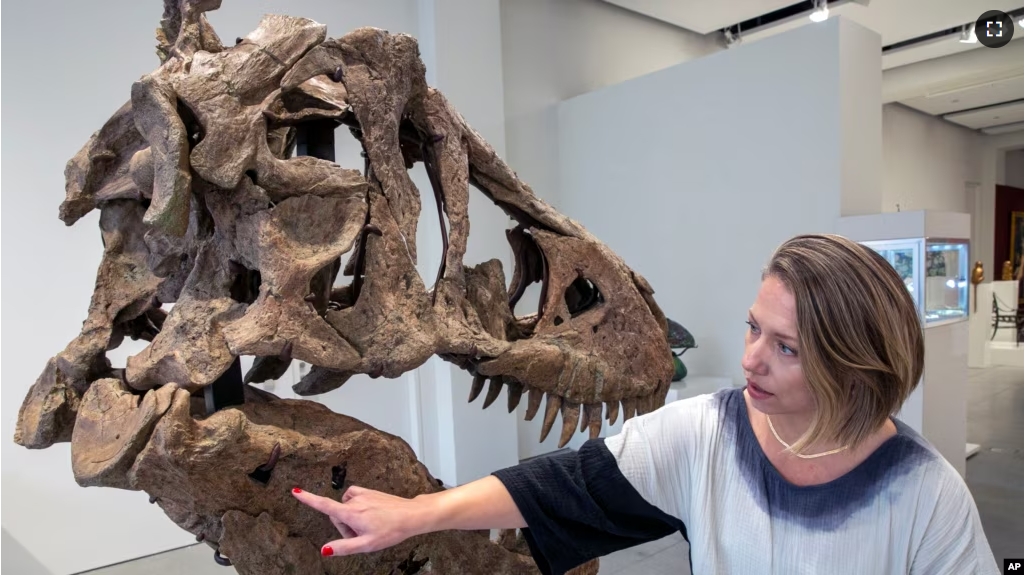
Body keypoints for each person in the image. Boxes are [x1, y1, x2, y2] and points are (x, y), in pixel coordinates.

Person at [291, 234, 1001, 574]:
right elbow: (563, 485)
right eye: (754, 328)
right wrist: (414, 515)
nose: (750, 357)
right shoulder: (708, 432)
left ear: (852, 366)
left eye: (785, 347)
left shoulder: (925, 494)